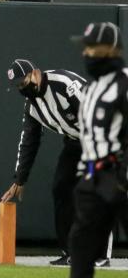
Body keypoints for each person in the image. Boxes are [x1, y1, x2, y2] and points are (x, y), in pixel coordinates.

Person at [0, 59, 89, 267]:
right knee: (61, 188)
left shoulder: (63, 83)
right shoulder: (32, 106)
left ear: (36, 73)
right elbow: (29, 141)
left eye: (24, 82)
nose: (23, 88)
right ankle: (71, 252)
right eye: (18, 86)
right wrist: (20, 179)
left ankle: (100, 255)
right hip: (76, 142)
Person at [68, 22, 127, 278]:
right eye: (86, 48)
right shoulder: (91, 89)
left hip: (119, 174)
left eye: (93, 48)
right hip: (93, 177)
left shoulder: (124, 83)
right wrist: (84, 176)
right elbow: (89, 138)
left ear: (111, 50)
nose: (87, 53)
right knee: (81, 245)